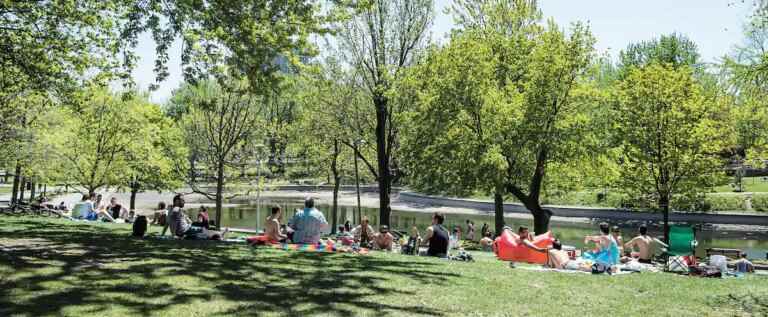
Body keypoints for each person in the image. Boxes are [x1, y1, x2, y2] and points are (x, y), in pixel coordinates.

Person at [163, 194, 228, 240]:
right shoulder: (176, 209)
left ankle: (218, 234)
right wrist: (173, 235)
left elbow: (167, 222)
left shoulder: (171, 209)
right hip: (185, 230)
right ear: (177, 201)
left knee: (202, 231)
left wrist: (162, 234)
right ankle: (219, 234)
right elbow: (174, 221)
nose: (184, 202)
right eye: (182, 200)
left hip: (186, 229)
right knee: (202, 230)